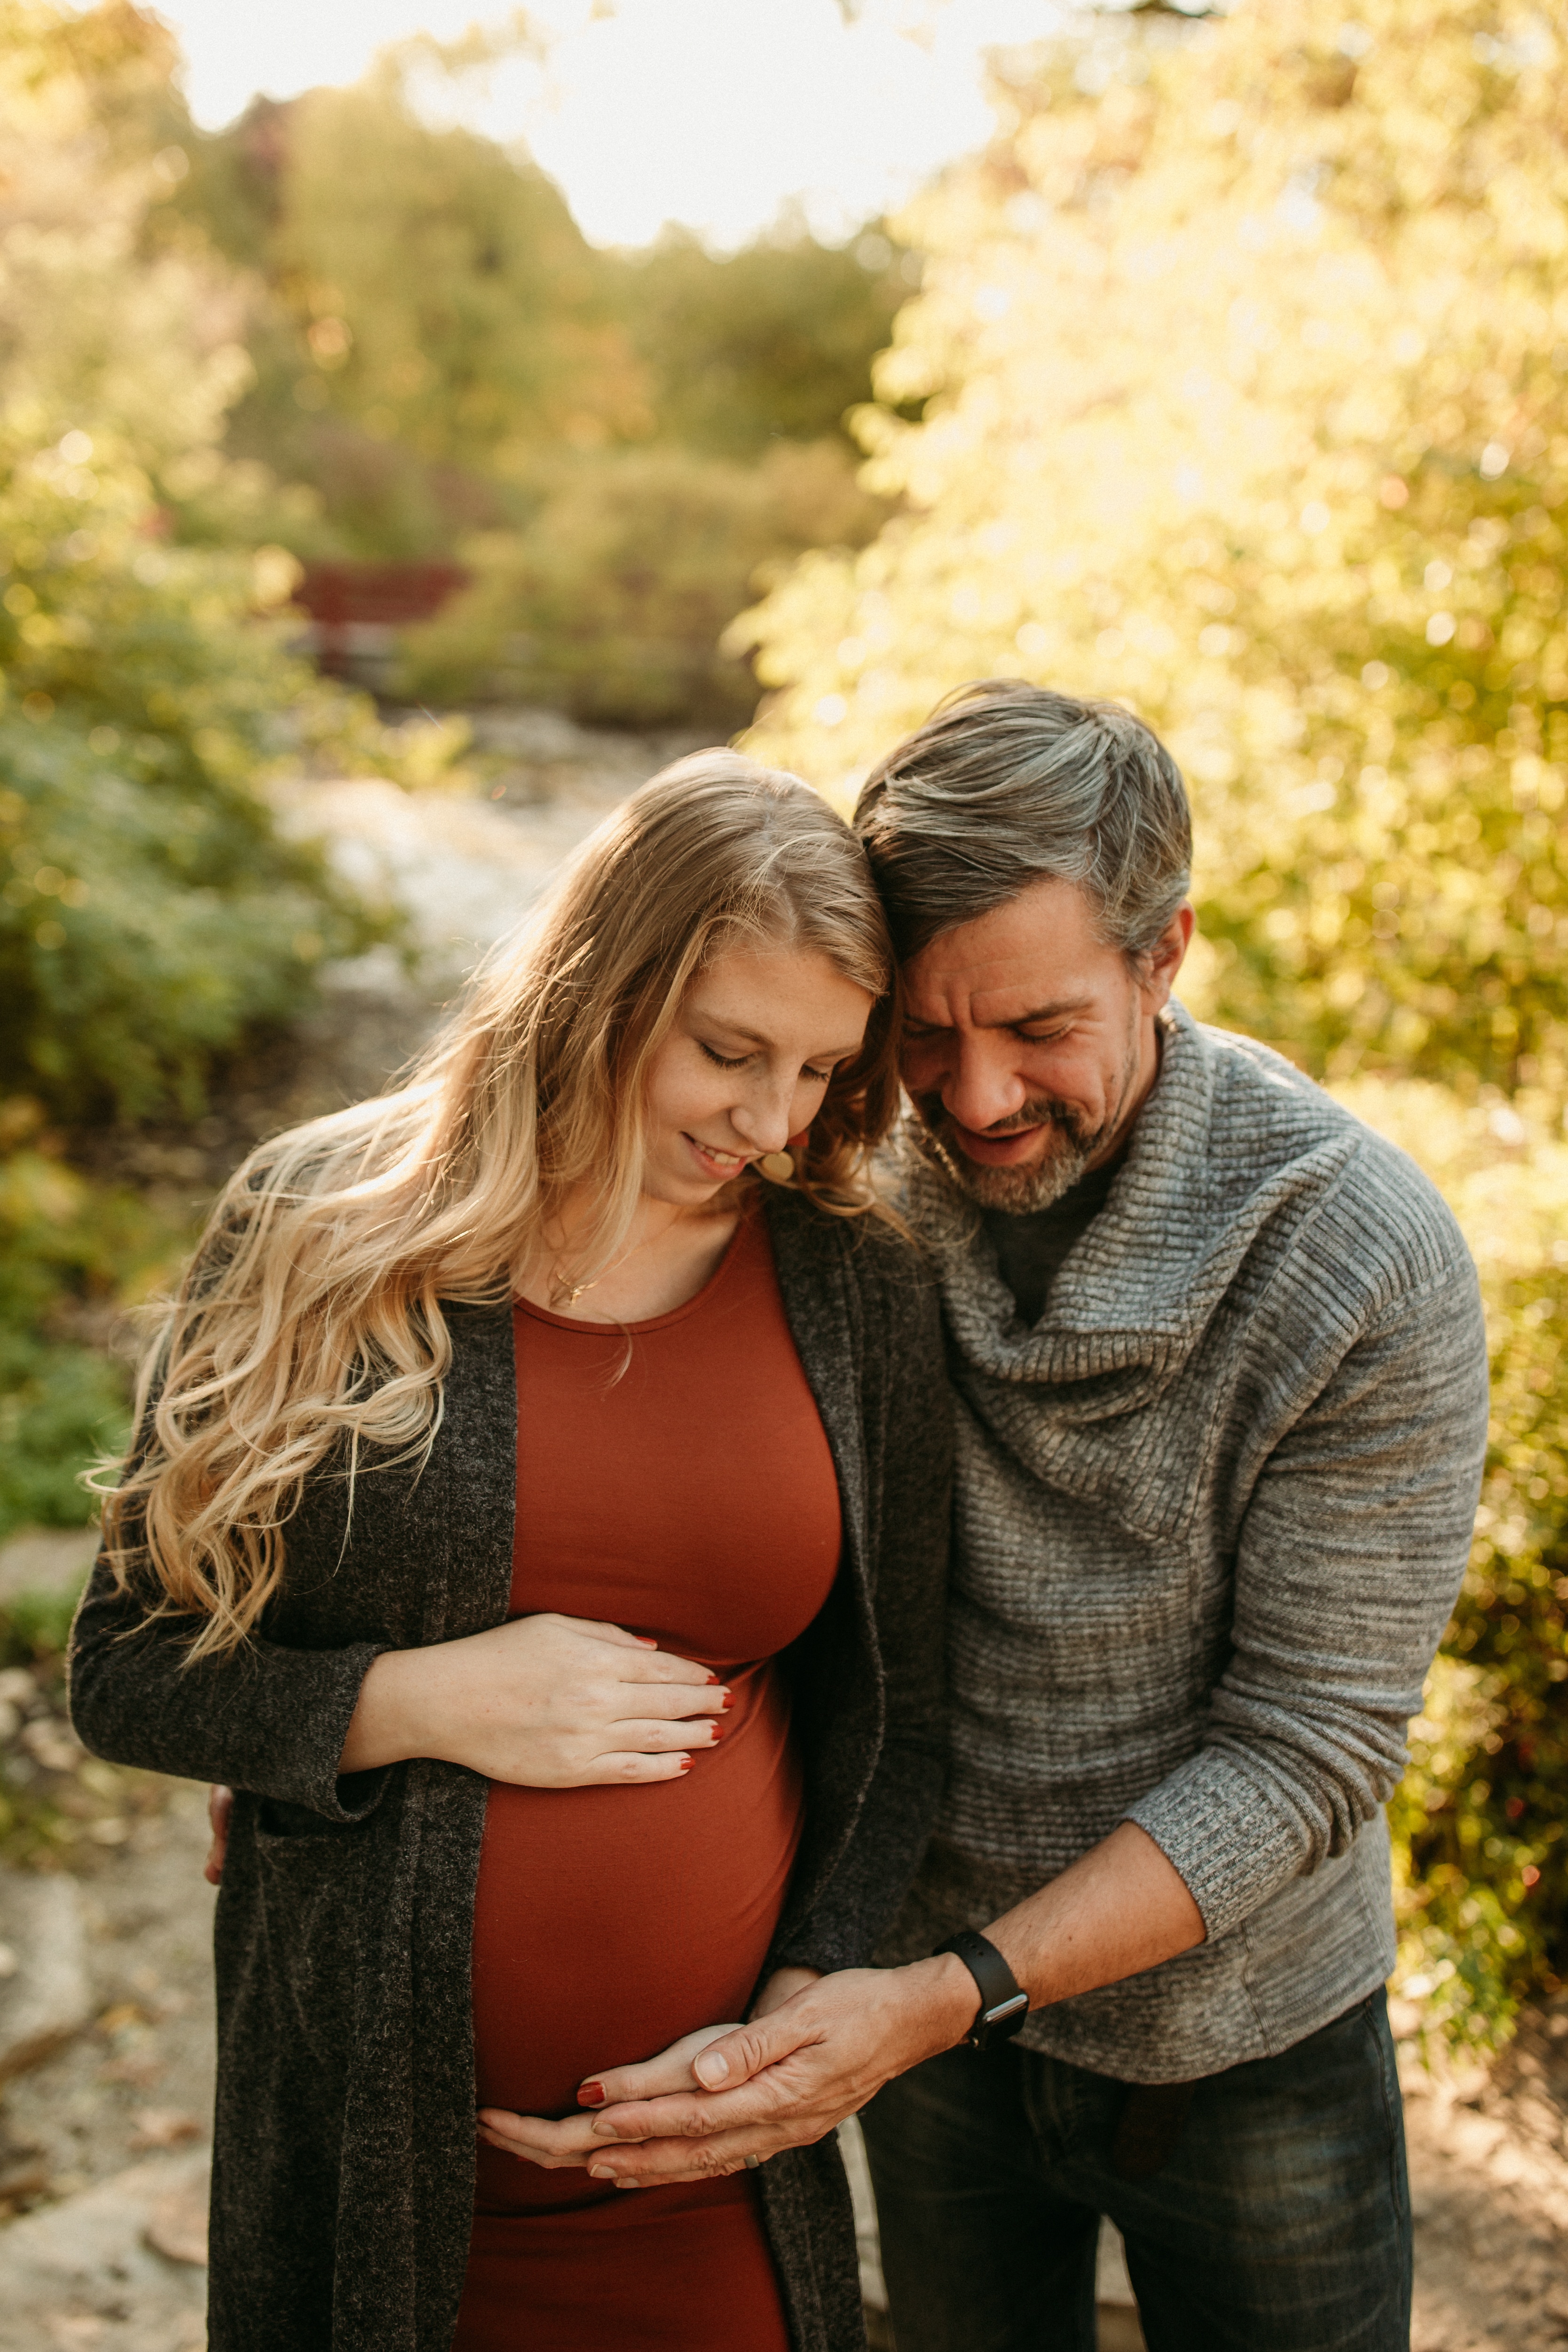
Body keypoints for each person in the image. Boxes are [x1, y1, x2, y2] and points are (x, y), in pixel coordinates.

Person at [543, 684, 1492, 2352]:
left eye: (1041, 1026)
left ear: (1165, 953)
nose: (973, 1099)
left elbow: (1312, 1741)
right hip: (918, 2031)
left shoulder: (1356, 1251)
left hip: (1245, 2039)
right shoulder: (839, 1161)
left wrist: (948, 1991)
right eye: (924, 1029)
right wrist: (370, 1685)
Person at [69, 752, 953, 2352]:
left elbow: (896, 1709)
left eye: (822, 1070)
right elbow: (126, 1670)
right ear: (602, 986)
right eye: (729, 1052)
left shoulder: (851, 1280)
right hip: (373, 2155)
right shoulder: (322, 1227)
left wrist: (801, 2008)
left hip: (703, 2173)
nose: (771, 1120)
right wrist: (400, 1702)